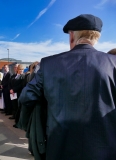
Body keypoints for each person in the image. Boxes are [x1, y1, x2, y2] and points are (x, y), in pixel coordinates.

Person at [19, 14, 116, 159]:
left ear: (72, 36)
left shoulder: (48, 64)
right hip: (105, 150)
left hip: (59, 147)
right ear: (97, 37)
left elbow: (26, 98)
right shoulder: (113, 63)